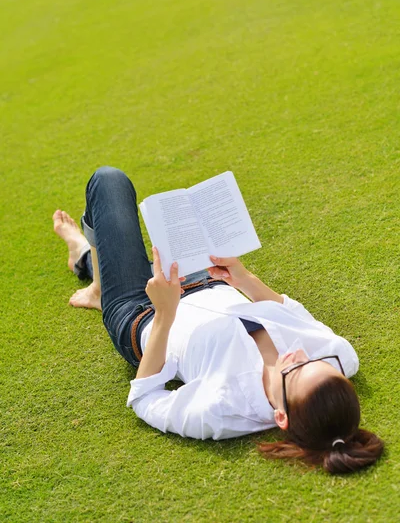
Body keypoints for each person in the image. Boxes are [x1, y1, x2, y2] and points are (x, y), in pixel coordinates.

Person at [53, 166, 384, 474]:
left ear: (280, 417)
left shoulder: (221, 411)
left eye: (295, 370)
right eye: (313, 360)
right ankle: (95, 277)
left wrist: (166, 313)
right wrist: (243, 278)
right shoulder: (339, 357)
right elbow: (292, 311)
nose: (298, 355)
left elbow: (144, 398)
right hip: (211, 282)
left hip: (144, 314)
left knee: (108, 181)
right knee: (177, 214)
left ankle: (90, 268)